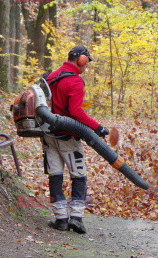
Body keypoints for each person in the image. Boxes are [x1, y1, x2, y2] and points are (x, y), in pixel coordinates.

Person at [43, 45, 109, 234]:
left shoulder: (51, 76)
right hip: (69, 136)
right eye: (86, 62)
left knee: (55, 176)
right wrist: (98, 127)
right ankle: (77, 218)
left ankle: (61, 219)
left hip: (48, 135)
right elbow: (76, 111)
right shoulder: (75, 81)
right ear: (81, 59)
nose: (86, 66)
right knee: (78, 176)